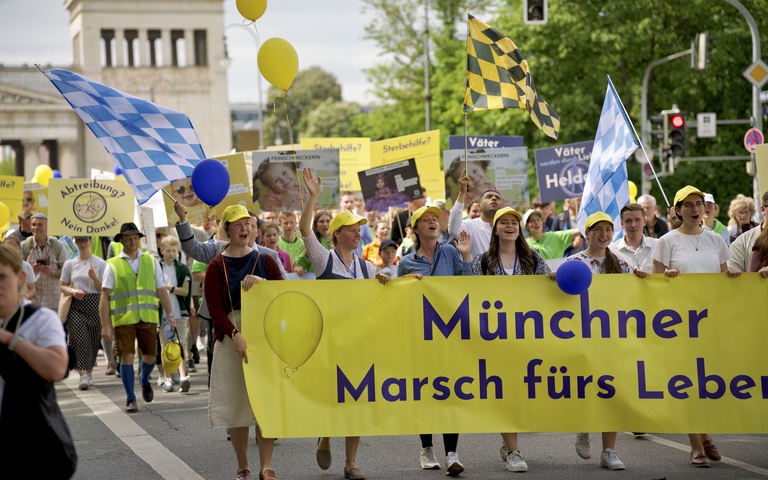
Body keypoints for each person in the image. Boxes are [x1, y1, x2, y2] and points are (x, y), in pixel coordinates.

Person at [299, 168, 391, 480]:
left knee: (357, 400)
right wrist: (313, 197)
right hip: (330, 341)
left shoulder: (367, 266)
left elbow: (384, 294)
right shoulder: (324, 260)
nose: (357, 232)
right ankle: (325, 434)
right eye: (351, 228)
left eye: (358, 228)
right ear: (337, 234)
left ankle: (351, 462)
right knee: (331, 397)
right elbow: (305, 231)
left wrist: (398, 281)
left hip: (359, 343)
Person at [651, 185, 739, 467]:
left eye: (698, 203)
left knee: (708, 383)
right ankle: (695, 446)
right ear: (677, 210)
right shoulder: (666, 241)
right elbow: (654, 285)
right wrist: (668, 277)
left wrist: (735, 277)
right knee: (687, 384)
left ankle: (704, 434)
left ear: (706, 208)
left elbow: (725, 282)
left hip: (711, 325)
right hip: (679, 326)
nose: (694, 209)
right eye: (687, 205)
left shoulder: (717, 241)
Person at [205, 204, 283, 480]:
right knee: (237, 406)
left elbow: (284, 294)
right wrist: (235, 334)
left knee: (265, 403)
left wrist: (262, 283)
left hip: (263, 335)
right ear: (226, 229)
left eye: (248, 223)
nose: (244, 228)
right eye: (237, 224)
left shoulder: (265, 261)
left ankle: (267, 466)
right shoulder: (216, 265)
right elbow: (214, 309)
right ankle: (243, 466)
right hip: (230, 336)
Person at [472, 207, 551, 472]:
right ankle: (515, 451)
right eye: (503, 222)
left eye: (514, 223)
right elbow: (469, 296)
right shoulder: (483, 262)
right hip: (495, 340)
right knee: (504, 393)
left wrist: (552, 279)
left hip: (527, 339)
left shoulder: (532, 258)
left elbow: (547, 289)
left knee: (522, 394)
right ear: (495, 229)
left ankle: (509, 444)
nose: (510, 226)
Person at [396, 205, 471, 476]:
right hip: (421, 337)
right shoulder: (406, 262)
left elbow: (467, 286)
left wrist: (465, 257)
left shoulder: (450, 252)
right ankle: (427, 448)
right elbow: (399, 301)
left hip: (450, 336)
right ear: (415, 229)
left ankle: (452, 453)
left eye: (434, 220)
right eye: (425, 220)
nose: (432, 223)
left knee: (452, 392)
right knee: (425, 392)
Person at [567, 211, 644, 471]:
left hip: (611, 337)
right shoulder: (574, 262)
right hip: (582, 337)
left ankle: (609, 450)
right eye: (597, 230)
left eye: (608, 230)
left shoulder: (620, 262)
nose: (603, 235)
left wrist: (643, 278)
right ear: (586, 234)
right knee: (586, 387)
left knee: (610, 391)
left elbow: (634, 291)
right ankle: (583, 427)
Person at [0, 243, 77, 479]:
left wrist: (10, 340)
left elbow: (56, 367)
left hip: (34, 448)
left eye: (2, 277)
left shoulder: (40, 319)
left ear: (20, 277)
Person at [99, 222, 177, 413]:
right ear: (122, 241)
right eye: (128, 238)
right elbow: (105, 296)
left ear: (140, 239)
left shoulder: (151, 261)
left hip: (148, 317)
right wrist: (106, 325)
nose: (133, 241)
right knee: (127, 356)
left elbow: (161, 290)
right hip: (123, 319)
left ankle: (144, 379)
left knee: (150, 357)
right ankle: (130, 398)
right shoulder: (113, 264)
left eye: (135, 237)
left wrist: (170, 315)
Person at [60, 236, 106, 390]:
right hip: (77, 305)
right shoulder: (70, 264)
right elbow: (63, 286)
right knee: (79, 338)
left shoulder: (100, 263)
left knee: (93, 339)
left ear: (90, 241)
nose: (83, 243)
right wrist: (73, 291)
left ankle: (89, 372)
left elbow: (104, 288)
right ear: (75, 242)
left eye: (85, 240)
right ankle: (83, 374)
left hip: (95, 303)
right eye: (79, 240)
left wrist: (95, 278)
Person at [158, 235, 191, 394]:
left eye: (174, 250)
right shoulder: (157, 267)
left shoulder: (182, 269)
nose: (171, 253)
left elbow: (185, 291)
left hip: (179, 312)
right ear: (161, 250)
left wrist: (169, 289)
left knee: (181, 344)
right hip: (162, 314)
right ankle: (167, 378)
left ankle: (184, 377)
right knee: (165, 346)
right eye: (168, 250)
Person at [448, 172, 503, 258]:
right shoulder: (469, 225)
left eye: (497, 198)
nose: (494, 198)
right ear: (479, 206)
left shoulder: (506, 229)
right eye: (489, 196)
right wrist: (462, 193)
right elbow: (453, 229)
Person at [22, 213, 68, 310]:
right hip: (33, 302)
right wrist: (31, 270)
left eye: (40, 225)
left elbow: (66, 272)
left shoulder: (58, 245)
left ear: (47, 227)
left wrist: (52, 272)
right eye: (33, 225)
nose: (36, 228)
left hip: (54, 302)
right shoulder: (25, 246)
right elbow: (17, 273)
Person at [609, 203, 659, 273]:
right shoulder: (612, 251)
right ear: (622, 224)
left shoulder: (657, 245)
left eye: (637, 220)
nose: (633, 225)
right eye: (628, 221)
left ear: (644, 222)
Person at [728, 191, 767, 272]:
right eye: (740, 212)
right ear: (763, 210)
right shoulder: (741, 242)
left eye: (746, 212)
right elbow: (733, 273)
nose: (743, 215)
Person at [277, 210, 311, 277]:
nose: (289, 226)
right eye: (285, 223)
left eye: (291, 222)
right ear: (280, 225)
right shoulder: (276, 243)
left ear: (296, 223)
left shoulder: (303, 244)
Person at [4, 236, 36, 302]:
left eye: (13, 246)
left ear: (19, 248)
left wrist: (25, 298)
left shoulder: (27, 266)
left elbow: (32, 289)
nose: (11, 249)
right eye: (8, 247)